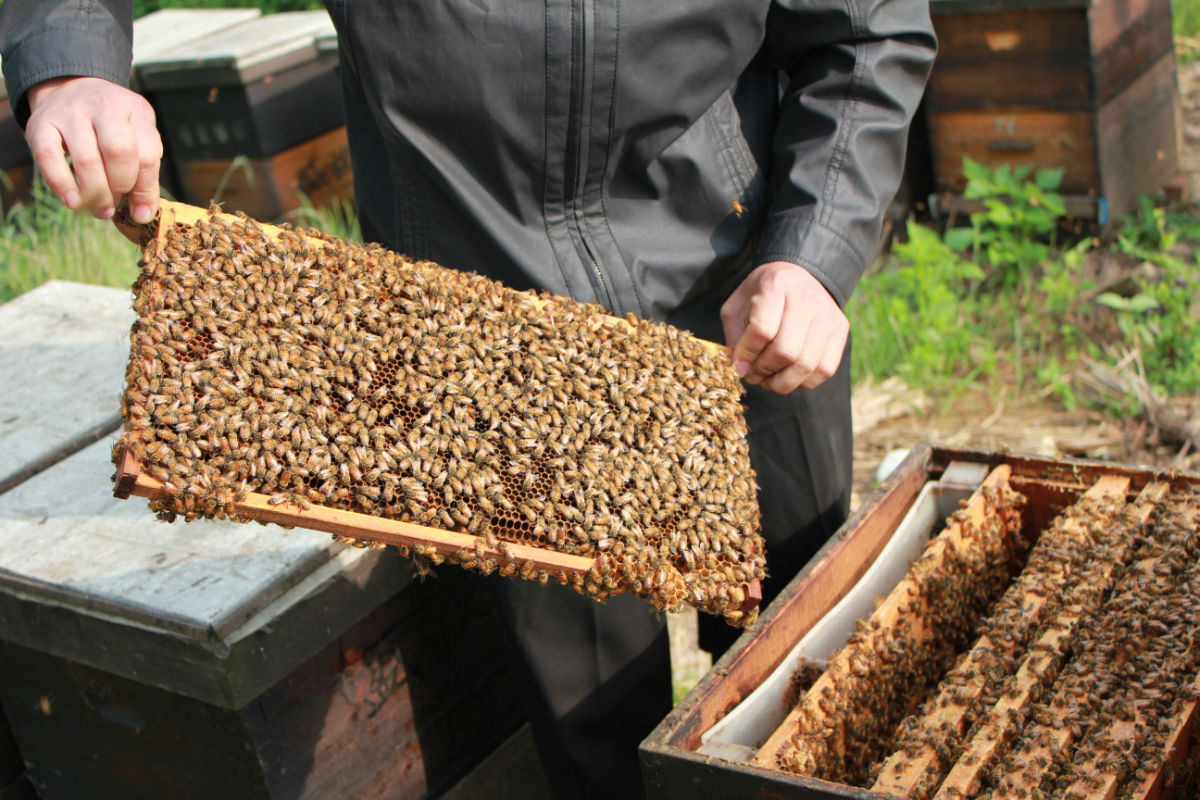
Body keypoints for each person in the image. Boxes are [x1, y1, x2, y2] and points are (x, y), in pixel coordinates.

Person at [1, 3, 935, 797]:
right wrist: (71, 63)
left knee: (806, 680)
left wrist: (810, 251)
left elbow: (869, 30)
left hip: (743, 295)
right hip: (481, 338)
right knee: (592, 727)